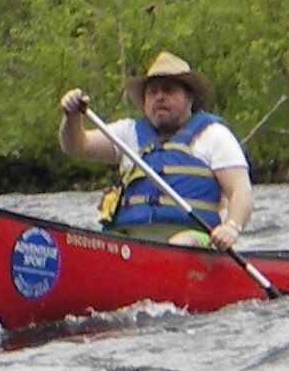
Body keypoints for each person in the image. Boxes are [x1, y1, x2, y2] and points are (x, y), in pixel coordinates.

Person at [59, 51, 252, 251]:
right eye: (152, 92)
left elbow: (240, 190)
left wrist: (231, 227)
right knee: (96, 244)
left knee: (183, 244)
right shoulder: (127, 133)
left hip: (193, 238)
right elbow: (76, 146)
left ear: (189, 98)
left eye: (168, 90)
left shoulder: (214, 135)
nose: (159, 97)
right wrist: (71, 117)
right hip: (129, 240)